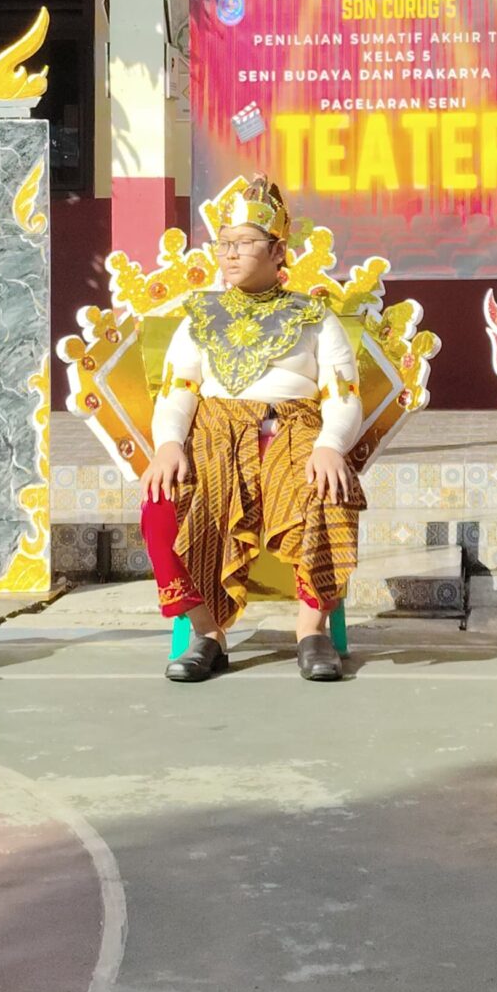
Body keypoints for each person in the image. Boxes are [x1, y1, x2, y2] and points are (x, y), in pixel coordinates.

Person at [139, 176, 364, 683]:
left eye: (243, 243)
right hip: (215, 434)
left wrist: (330, 445)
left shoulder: (314, 316)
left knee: (330, 491)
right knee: (159, 503)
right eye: (224, 244)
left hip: (294, 430)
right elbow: (177, 389)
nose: (229, 254)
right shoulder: (198, 316)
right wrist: (169, 443)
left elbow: (343, 394)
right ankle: (207, 633)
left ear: (278, 249)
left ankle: (312, 632)